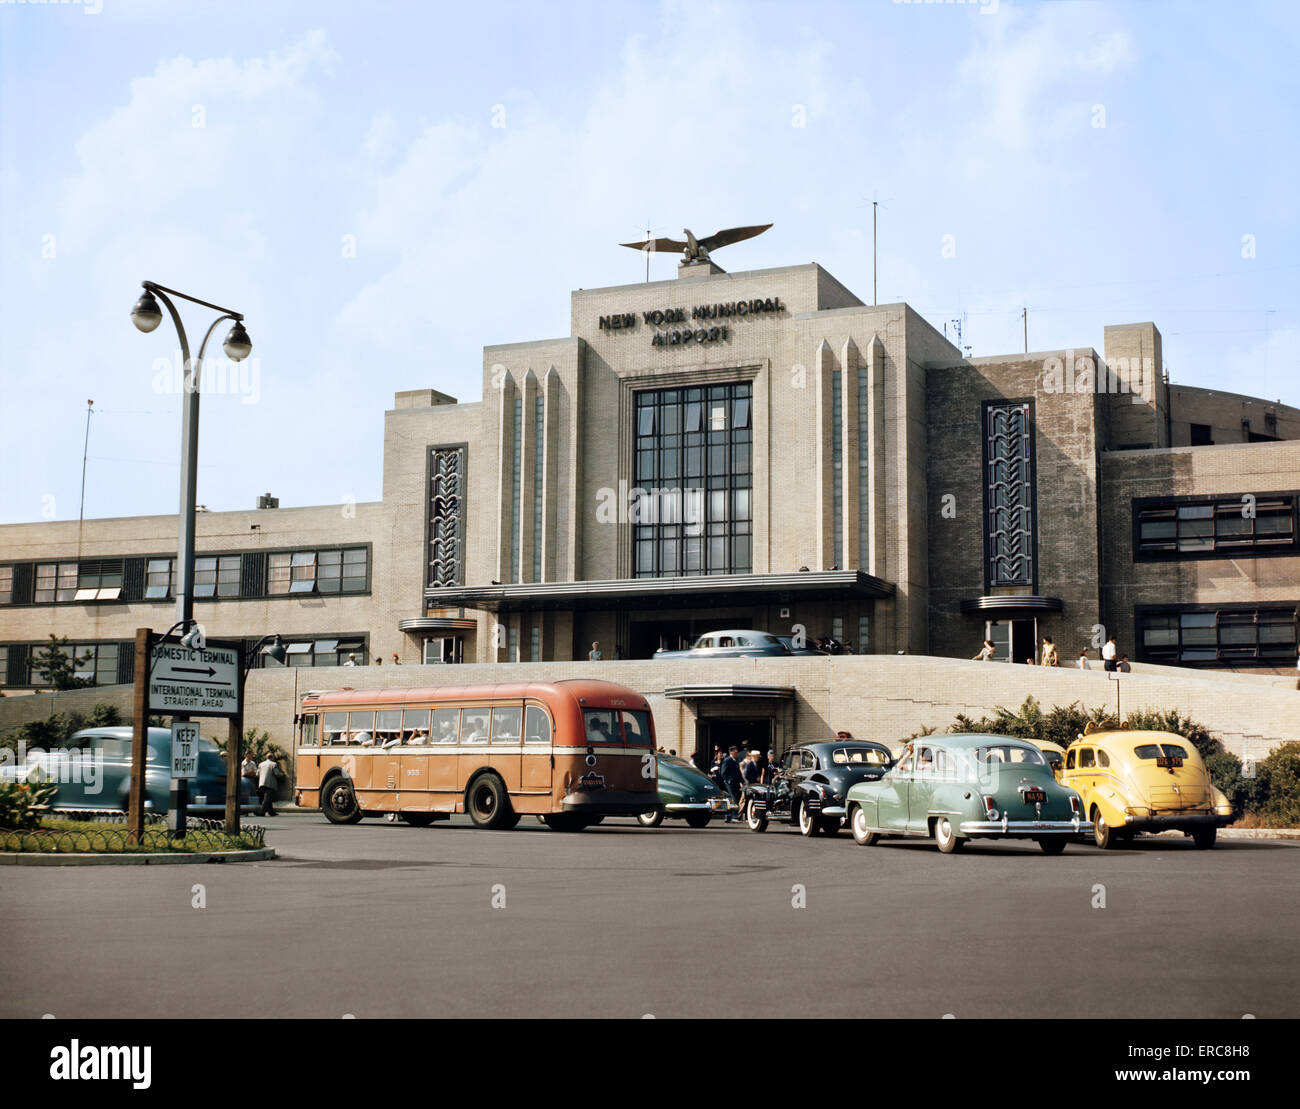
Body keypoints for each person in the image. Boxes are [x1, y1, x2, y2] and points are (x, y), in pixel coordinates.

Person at [720, 747, 742, 822]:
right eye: (735, 753)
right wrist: (728, 780)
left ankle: (728, 817)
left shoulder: (736, 760)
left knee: (733, 799)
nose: (737, 754)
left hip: (736, 783)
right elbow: (723, 772)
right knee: (734, 799)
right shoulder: (727, 760)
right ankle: (734, 816)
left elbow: (738, 773)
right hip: (730, 783)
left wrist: (741, 781)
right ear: (731, 753)